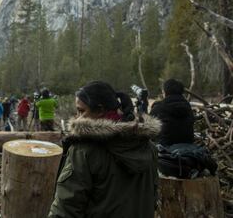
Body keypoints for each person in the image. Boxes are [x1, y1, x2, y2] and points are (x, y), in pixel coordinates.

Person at [49, 80, 160, 217]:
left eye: (81, 111)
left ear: (100, 110)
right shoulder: (148, 147)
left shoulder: (84, 152)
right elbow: (153, 198)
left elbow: (65, 209)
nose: (77, 117)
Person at [150, 78, 194, 146]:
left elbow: (149, 131)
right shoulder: (188, 108)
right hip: (188, 146)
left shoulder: (158, 108)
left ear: (165, 92)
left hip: (165, 148)